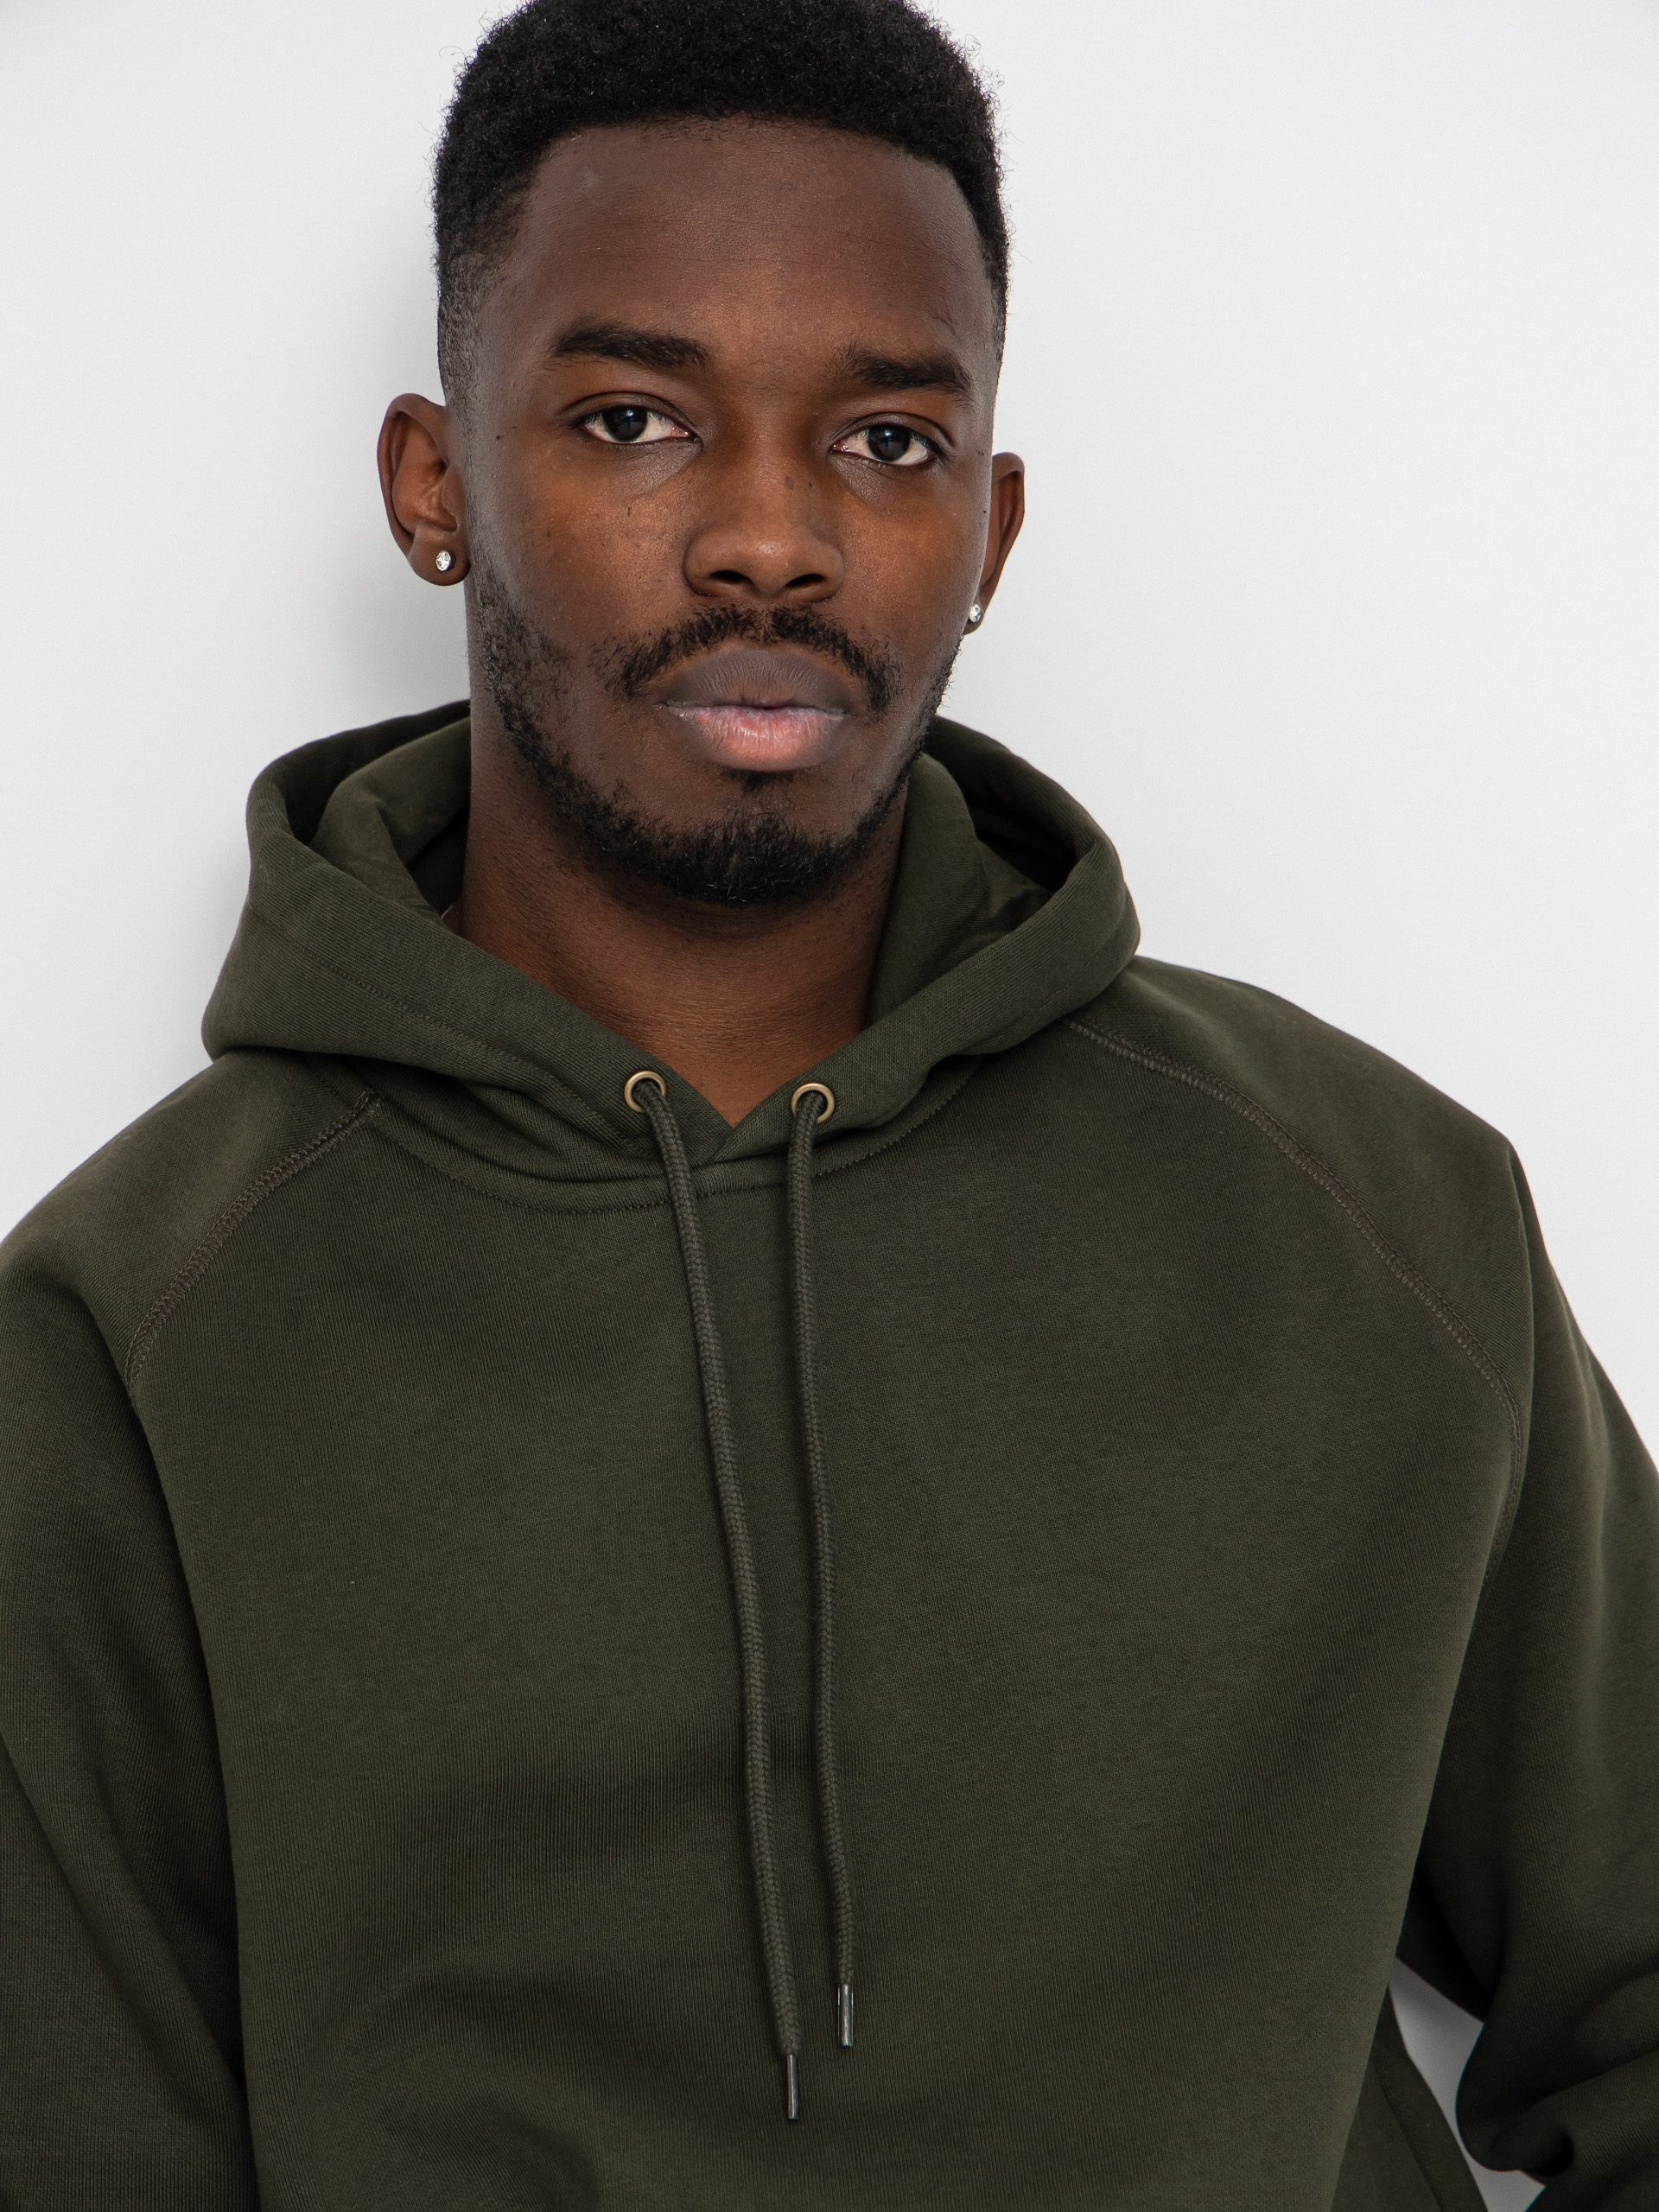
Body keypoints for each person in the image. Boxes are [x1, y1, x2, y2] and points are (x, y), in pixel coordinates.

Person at [2, 0, 1653, 2202]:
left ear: (992, 524)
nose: (771, 537)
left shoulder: (1376, 1218)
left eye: (885, 439)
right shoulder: (125, 1332)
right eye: (634, 419)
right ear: (433, 483)